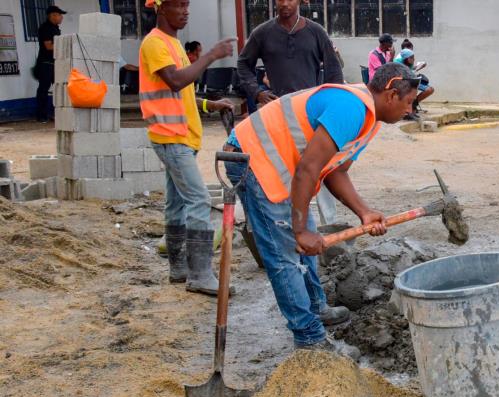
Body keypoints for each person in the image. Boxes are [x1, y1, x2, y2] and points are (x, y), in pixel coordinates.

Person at [220, 63, 419, 356]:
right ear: (391, 94)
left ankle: (316, 307)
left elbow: (334, 171)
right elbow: (308, 169)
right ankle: (309, 338)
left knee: (307, 240)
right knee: (284, 254)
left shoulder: (370, 118)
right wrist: (298, 230)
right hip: (251, 159)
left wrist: (364, 212)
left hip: (280, 166)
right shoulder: (351, 108)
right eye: (409, 102)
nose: (410, 110)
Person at [139, 0, 236, 295]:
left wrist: (210, 104)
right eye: (178, 5)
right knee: (197, 199)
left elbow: (183, 93)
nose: (185, 10)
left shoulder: (173, 44)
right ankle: (199, 274)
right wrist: (210, 56)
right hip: (170, 137)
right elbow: (176, 81)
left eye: (186, 5)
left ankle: (179, 268)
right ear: (160, 9)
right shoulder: (155, 43)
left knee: (176, 203)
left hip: (181, 137)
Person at [237, 0, 343, 109]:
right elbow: (243, 64)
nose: (284, 4)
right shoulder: (262, 33)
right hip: (277, 108)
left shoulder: (316, 32)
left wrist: (331, 103)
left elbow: (334, 70)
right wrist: (257, 92)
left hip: (308, 107)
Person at [34, 6, 65, 123]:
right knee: (43, 89)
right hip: (45, 63)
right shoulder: (46, 28)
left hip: (55, 63)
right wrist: (65, 46)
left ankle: (54, 113)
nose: (61, 17)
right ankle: (41, 115)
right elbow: (48, 46)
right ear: (52, 15)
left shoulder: (55, 28)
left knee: (60, 88)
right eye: (59, 15)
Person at [394, 48, 433, 120]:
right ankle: (408, 112)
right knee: (411, 89)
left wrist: (418, 67)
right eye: (411, 58)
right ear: (406, 58)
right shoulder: (398, 64)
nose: (413, 59)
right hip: (400, 82)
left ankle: (413, 107)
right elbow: (401, 77)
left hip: (409, 79)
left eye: (413, 57)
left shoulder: (409, 63)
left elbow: (411, 73)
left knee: (427, 89)